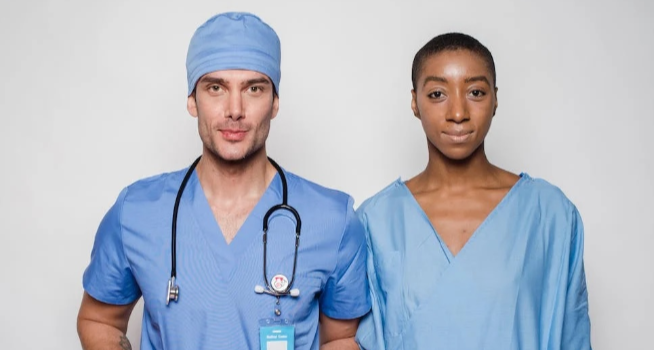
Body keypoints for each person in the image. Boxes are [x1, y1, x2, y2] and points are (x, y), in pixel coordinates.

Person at [76, 12, 370, 350]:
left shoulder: (333, 219)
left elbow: (341, 339)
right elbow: (98, 319)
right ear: (192, 100)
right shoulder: (136, 212)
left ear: (274, 103)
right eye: (215, 88)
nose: (235, 109)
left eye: (254, 89)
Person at [354, 32, 592, 349]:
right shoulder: (375, 220)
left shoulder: (549, 213)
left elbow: (571, 335)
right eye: (437, 93)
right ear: (414, 102)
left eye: (475, 92)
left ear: (495, 99)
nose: (457, 113)